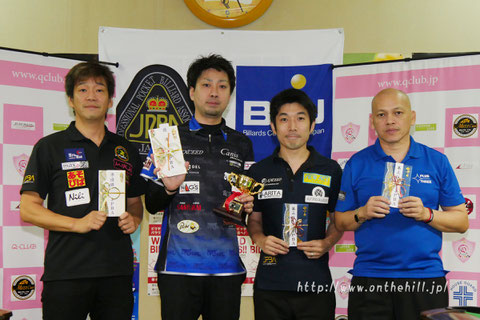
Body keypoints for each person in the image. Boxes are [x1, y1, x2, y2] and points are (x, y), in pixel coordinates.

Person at [19, 61, 145, 320]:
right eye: (82, 90)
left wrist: (134, 219)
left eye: (99, 90)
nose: (91, 96)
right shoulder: (49, 147)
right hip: (66, 273)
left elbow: (135, 203)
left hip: (116, 274)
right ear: (70, 100)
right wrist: (77, 224)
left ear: (110, 101)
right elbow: (28, 209)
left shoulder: (126, 149)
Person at [335, 88, 469, 320]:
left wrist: (427, 214)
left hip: (425, 279)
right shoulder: (357, 163)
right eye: (381, 114)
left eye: (398, 112)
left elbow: (461, 220)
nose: (390, 121)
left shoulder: (436, 161)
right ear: (372, 121)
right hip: (370, 279)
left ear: (412, 117)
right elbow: (340, 220)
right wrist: (362, 213)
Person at [145, 54, 255, 320]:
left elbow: (246, 206)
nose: (214, 92)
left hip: (227, 269)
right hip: (177, 269)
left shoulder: (242, 143)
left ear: (230, 94)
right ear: (192, 92)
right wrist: (169, 189)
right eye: (206, 85)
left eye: (222, 86)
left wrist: (250, 205)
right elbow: (151, 203)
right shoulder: (168, 137)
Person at [247, 88, 343, 319]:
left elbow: (340, 220)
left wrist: (327, 243)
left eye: (300, 118)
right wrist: (260, 239)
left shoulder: (331, 169)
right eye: (284, 119)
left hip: (315, 284)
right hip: (270, 285)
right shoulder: (258, 171)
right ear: (272, 126)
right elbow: (254, 219)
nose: (292, 126)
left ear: (312, 126)